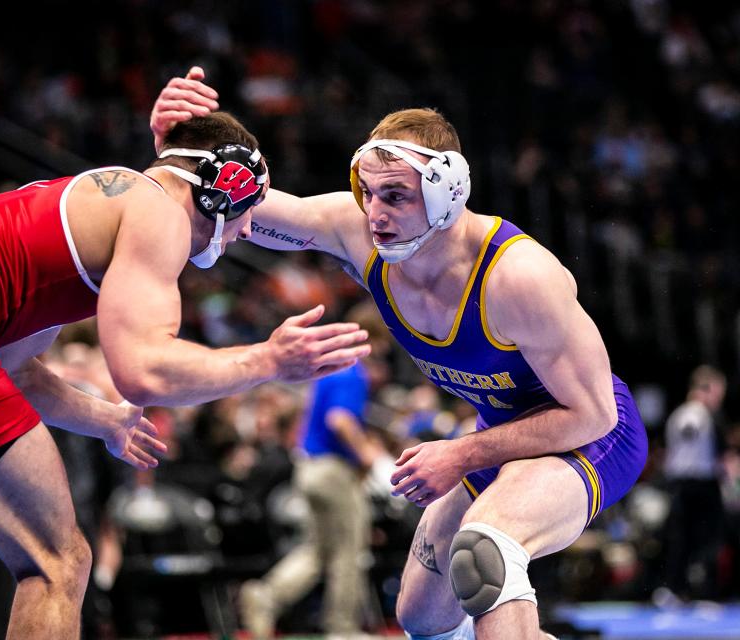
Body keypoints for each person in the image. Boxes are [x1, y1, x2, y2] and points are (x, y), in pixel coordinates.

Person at [0, 111, 370, 639]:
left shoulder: (76, 214)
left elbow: (14, 372)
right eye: (247, 214)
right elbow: (145, 372)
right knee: (59, 562)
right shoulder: (158, 212)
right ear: (220, 192)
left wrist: (107, 420)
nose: (244, 232)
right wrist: (267, 361)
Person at [151, 70, 648, 640]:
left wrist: (460, 455)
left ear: (447, 193)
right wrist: (177, 156)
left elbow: (592, 415)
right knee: (423, 617)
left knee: (487, 547)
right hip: (499, 433)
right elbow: (243, 208)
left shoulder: (519, 277)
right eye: (367, 193)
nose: (375, 215)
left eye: (395, 196)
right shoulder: (362, 233)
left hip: (591, 435)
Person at [239, 303, 387, 638]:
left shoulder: (330, 367)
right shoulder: (354, 368)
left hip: (307, 468)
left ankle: (267, 596)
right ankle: (342, 628)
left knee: (318, 549)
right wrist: (368, 456)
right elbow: (341, 420)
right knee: (351, 548)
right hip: (333, 471)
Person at [657, 364, 727, 603]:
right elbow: (720, 453)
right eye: (718, 393)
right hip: (702, 485)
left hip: (679, 485)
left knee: (680, 539)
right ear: (707, 390)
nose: (719, 399)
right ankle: (706, 591)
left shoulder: (677, 415)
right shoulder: (706, 416)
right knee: (710, 538)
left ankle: (675, 588)